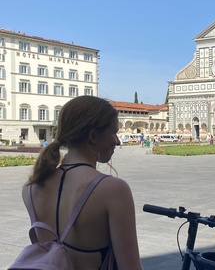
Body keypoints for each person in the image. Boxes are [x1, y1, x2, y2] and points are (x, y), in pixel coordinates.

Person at [22, 96, 143, 270]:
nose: (117, 141)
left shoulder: (31, 188)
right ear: (93, 135)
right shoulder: (113, 190)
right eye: (114, 133)